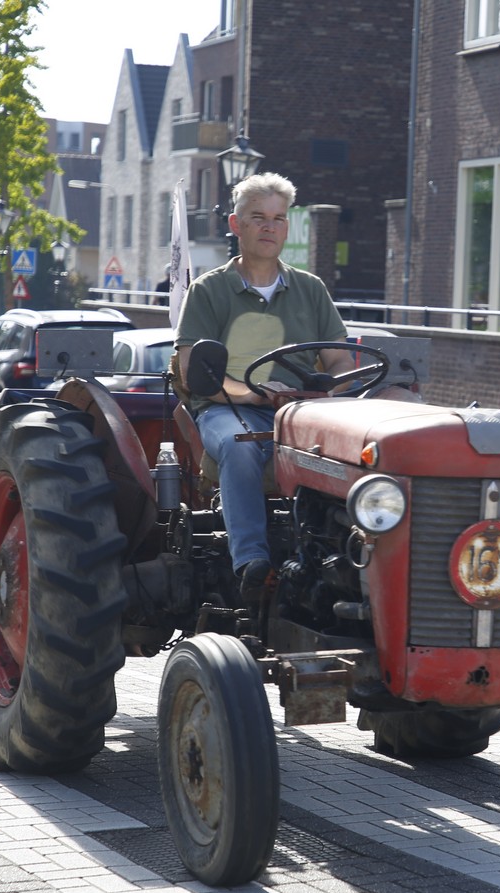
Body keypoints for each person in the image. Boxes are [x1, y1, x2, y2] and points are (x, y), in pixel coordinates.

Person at [175, 172, 354, 606]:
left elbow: (340, 361)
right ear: (236, 225)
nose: (269, 227)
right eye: (258, 217)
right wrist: (255, 394)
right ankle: (252, 564)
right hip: (225, 408)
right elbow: (194, 372)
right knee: (238, 445)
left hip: (301, 412)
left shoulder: (311, 290)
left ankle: (343, 561)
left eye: (278, 218)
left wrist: (326, 391)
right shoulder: (208, 290)